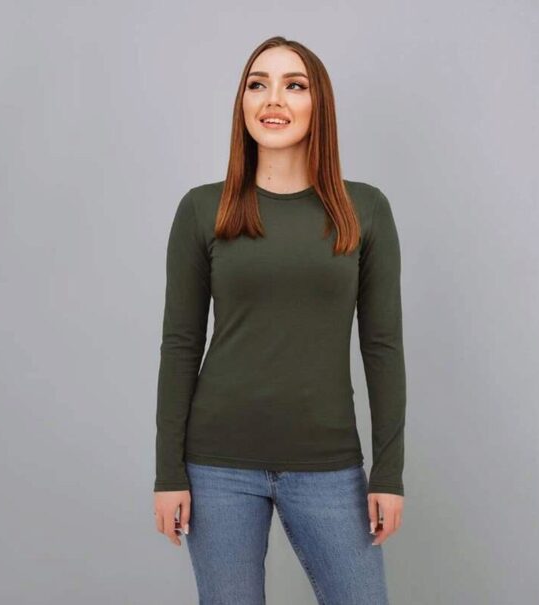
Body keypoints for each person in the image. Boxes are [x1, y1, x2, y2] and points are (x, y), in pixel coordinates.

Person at [153, 35, 407, 605]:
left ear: (320, 105)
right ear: (243, 104)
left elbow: (383, 348)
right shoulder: (203, 209)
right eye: (257, 84)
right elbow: (181, 345)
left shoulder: (364, 209)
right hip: (216, 466)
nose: (273, 99)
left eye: (294, 85)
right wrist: (168, 472)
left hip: (327, 463)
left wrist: (388, 474)